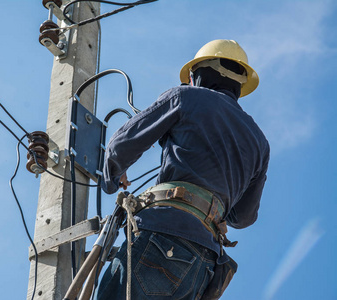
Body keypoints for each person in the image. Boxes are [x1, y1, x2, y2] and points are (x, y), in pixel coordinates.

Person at [96, 39, 270, 299]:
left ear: (199, 74)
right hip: (206, 263)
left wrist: (111, 176)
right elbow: (243, 218)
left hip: (163, 236)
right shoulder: (259, 142)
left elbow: (122, 144)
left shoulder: (186, 97)